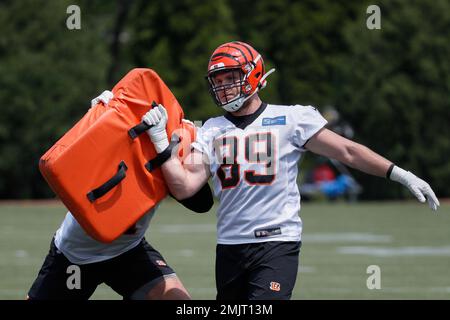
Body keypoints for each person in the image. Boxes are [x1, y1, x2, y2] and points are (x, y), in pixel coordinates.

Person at [141, 41, 440, 300]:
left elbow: (347, 150)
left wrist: (399, 173)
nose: (223, 87)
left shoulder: (291, 119)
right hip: (230, 245)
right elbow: (184, 186)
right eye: (217, 81)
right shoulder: (209, 130)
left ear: (253, 74)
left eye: (230, 78)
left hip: (276, 242)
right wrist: (159, 142)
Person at [28, 91, 213, 300]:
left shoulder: (165, 151)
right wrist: (95, 120)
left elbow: (201, 202)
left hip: (128, 253)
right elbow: (73, 164)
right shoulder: (121, 144)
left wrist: (165, 147)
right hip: (77, 257)